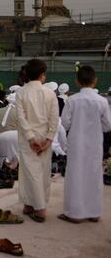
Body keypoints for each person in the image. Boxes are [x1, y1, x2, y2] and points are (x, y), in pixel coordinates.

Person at [59, 66, 111, 223]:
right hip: (95, 144)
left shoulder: (72, 100)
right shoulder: (102, 101)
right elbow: (108, 125)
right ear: (95, 81)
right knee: (94, 176)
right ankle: (94, 212)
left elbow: (65, 123)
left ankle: (74, 213)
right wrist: (95, 128)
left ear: (77, 81)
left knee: (75, 176)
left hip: (76, 143)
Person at [15, 58, 59, 223]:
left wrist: (31, 138)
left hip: (29, 138)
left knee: (29, 172)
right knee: (41, 171)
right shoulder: (50, 93)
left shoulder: (21, 92)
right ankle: (29, 204)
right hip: (44, 137)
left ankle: (39, 208)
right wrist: (48, 139)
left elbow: (21, 118)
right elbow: (54, 118)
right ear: (42, 75)